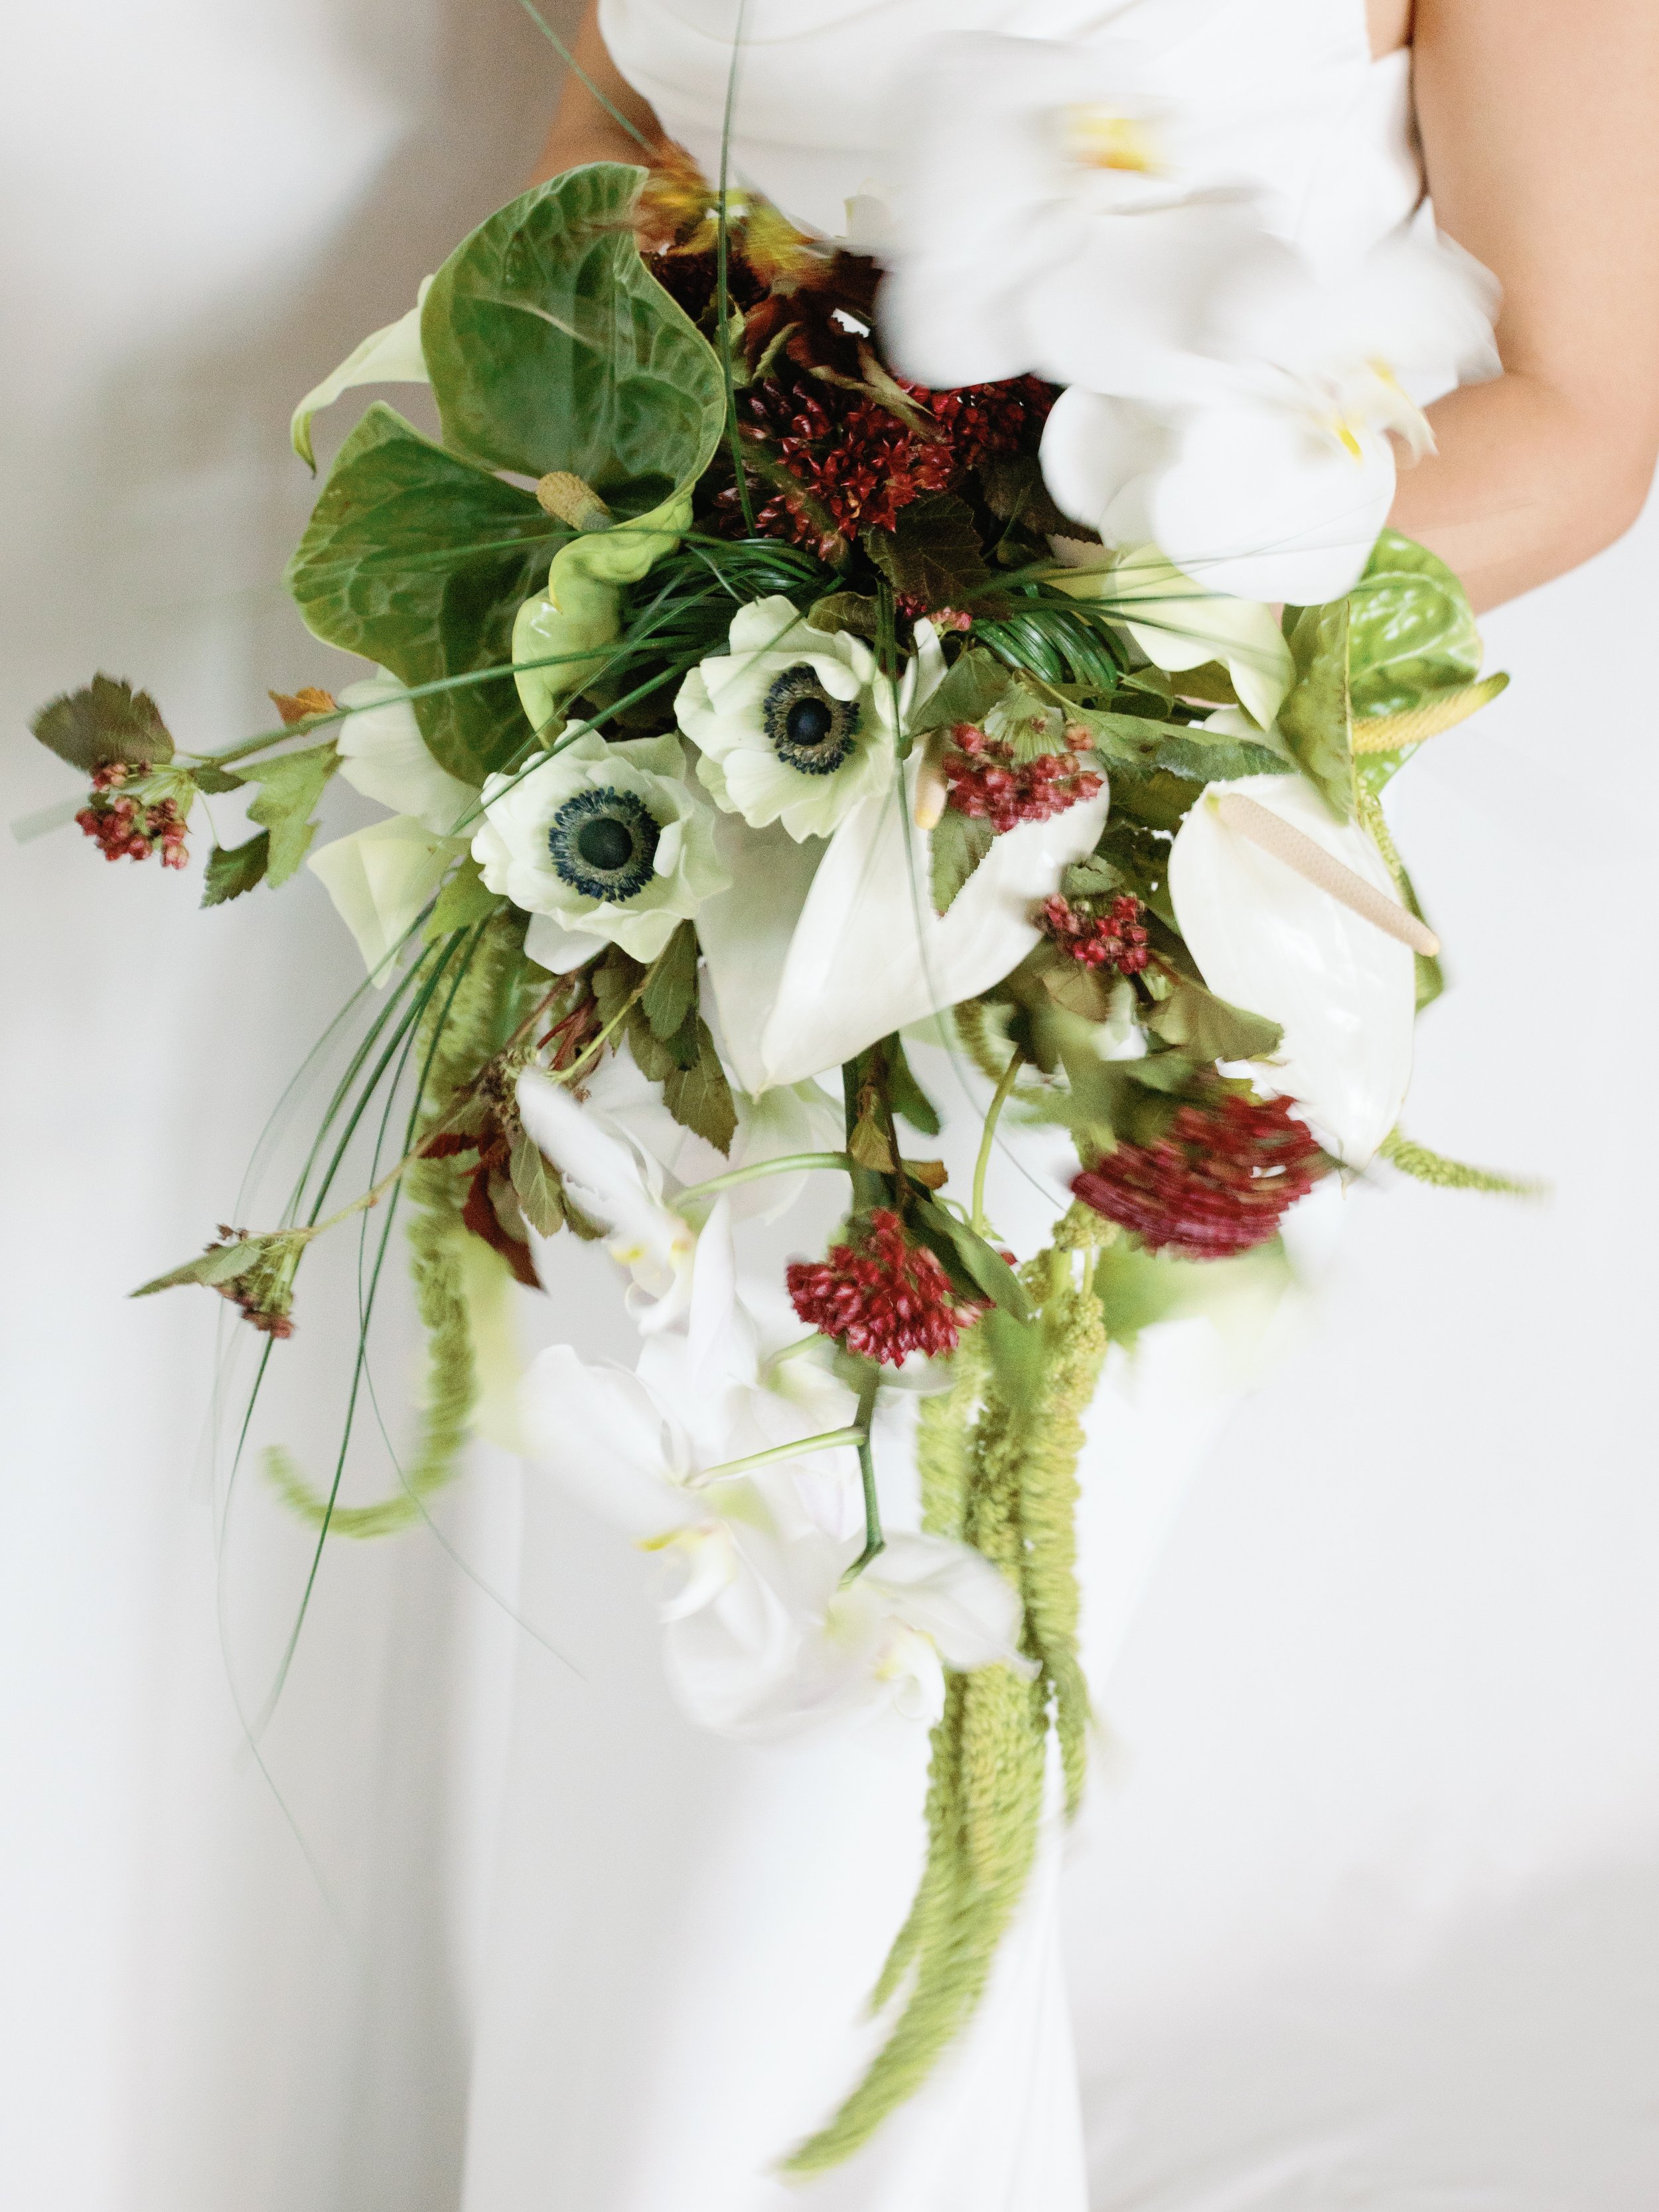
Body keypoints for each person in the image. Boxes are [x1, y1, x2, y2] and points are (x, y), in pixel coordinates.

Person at [457, 7, 1659, 2209]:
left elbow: (1580, 417)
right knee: (674, 1768)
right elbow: (617, 138)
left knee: (851, 1764)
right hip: (676, 816)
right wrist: (554, 562)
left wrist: (1062, 664)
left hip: (1112, 892)